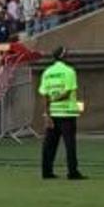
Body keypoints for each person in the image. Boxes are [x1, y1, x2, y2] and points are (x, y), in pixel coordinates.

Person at [38, 46, 85, 180]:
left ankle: (46, 171)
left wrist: (47, 113)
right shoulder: (69, 71)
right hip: (67, 112)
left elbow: (44, 94)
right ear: (64, 56)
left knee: (49, 144)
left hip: (53, 112)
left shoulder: (47, 72)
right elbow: (68, 91)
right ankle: (72, 171)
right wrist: (56, 98)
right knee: (70, 144)